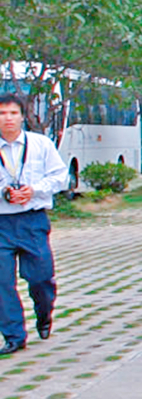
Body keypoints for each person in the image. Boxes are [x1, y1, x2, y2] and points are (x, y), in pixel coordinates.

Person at [0, 91, 68, 354]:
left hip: (32, 220)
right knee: (2, 282)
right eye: (2, 113)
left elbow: (60, 177)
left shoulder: (40, 144)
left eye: (13, 113)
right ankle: (14, 335)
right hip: (2, 222)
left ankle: (44, 312)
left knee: (40, 277)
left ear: (22, 116)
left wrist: (34, 190)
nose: (8, 119)